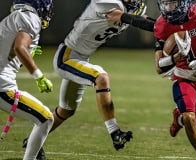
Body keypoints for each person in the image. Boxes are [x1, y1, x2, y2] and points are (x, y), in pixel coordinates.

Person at [107, 0, 196, 159]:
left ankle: (178, 119)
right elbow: (159, 67)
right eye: (165, 3)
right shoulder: (163, 25)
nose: (169, 8)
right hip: (183, 78)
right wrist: (177, 57)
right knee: (190, 118)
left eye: (172, 3)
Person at [50, 0, 146, 153]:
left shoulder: (135, 9)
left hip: (82, 59)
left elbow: (143, 20)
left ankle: (33, 141)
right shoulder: (110, 3)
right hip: (67, 57)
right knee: (101, 78)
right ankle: (115, 132)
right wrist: (156, 27)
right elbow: (128, 18)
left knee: (66, 110)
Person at [0, 0, 54, 160]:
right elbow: (19, 48)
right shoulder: (30, 17)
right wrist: (39, 76)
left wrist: (27, 54)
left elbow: (11, 54)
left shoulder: (14, 17)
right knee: (46, 119)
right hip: (2, 86)